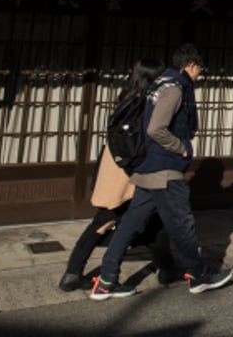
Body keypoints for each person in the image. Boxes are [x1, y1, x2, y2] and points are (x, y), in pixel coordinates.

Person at [90, 44, 233, 299]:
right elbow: (156, 128)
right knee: (182, 223)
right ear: (191, 66)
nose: (199, 75)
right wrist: (180, 147)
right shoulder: (175, 88)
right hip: (165, 168)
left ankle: (106, 280)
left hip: (149, 169)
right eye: (199, 69)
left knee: (129, 225)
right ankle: (198, 275)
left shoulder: (159, 84)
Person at [59, 59, 176, 292]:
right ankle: (80, 274)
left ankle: (167, 269)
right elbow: (140, 143)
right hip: (129, 173)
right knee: (108, 221)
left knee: (151, 223)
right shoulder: (141, 104)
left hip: (116, 169)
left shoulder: (128, 99)